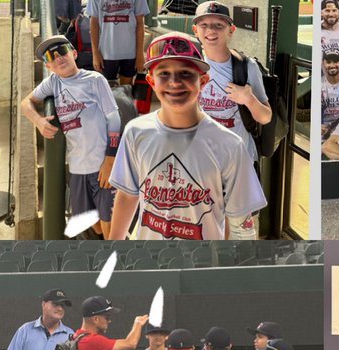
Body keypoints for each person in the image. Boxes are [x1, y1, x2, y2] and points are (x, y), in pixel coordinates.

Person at [109, 32, 266, 241]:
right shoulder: (136, 132)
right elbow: (128, 195)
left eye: (185, 73)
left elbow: (241, 225)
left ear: (203, 81)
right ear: (151, 82)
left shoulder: (229, 145)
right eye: (164, 74)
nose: (174, 82)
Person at [21, 35, 121, 238]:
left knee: (109, 221)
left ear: (74, 53)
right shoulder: (53, 83)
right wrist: (38, 121)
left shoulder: (94, 80)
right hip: (77, 169)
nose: (58, 57)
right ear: (48, 66)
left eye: (62, 50)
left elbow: (114, 118)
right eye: (51, 56)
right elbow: (26, 103)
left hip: (102, 165)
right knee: (93, 223)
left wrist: (110, 160)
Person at [192, 1, 271, 166]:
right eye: (204, 25)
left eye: (219, 25)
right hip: (201, 157)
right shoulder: (192, 66)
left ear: (231, 30)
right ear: (195, 30)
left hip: (239, 159)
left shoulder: (246, 67)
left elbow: (265, 117)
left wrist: (248, 99)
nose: (211, 30)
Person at [87, 0, 148, 85]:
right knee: (107, 89)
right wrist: (95, 53)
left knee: (126, 88)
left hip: (130, 51)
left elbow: (140, 23)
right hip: (106, 51)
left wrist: (140, 54)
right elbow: (94, 23)